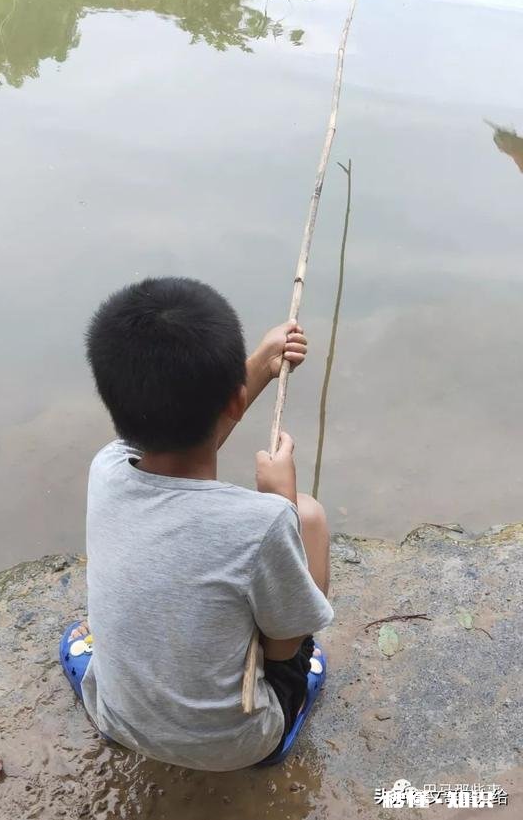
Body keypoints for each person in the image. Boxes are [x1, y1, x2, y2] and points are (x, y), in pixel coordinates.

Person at [64, 276, 333, 771]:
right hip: (240, 747)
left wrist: (258, 369)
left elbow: (181, 445)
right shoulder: (263, 522)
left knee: (75, 641)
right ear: (232, 401)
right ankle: (293, 709)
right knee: (310, 517)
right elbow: (283, 640)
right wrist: (283, 501)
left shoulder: (105, 468)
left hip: (117, 718)